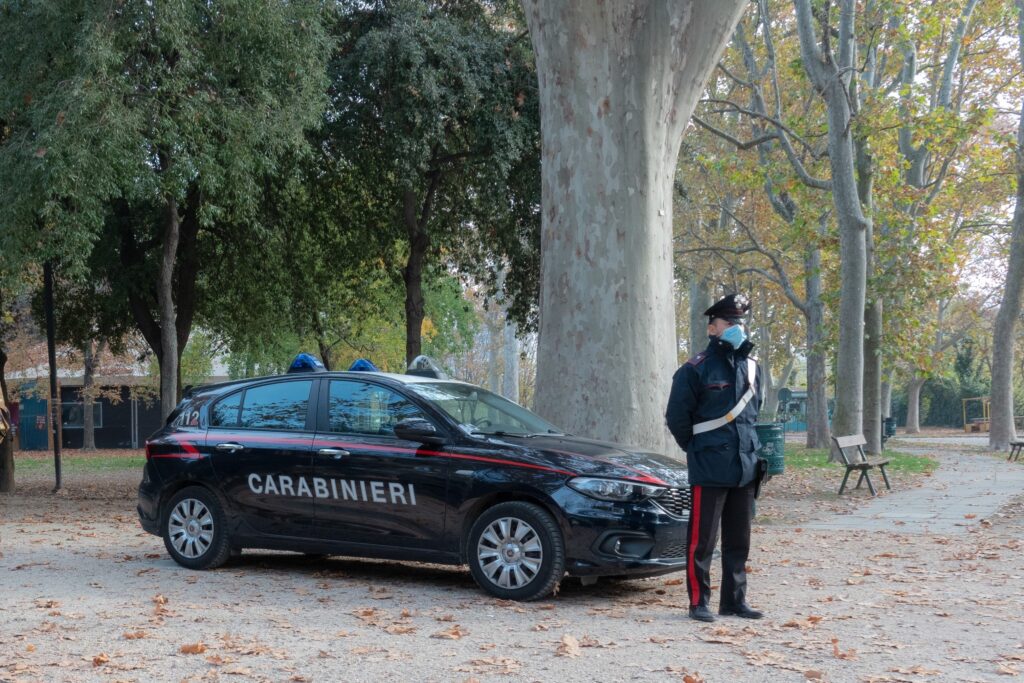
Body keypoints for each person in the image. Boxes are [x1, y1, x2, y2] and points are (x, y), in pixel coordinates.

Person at [665, 293, 765, 622]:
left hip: (744, 467)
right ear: (713, 328)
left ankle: (734, 601)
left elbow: (753, 415)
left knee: (739, 541)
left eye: (740, 323)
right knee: (702, 542)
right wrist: (697, 450)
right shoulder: (695, 369)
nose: (738, 328)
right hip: (709, 465)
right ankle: (698, 602)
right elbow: (677, 418)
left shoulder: (753, 368)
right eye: (730, 323)